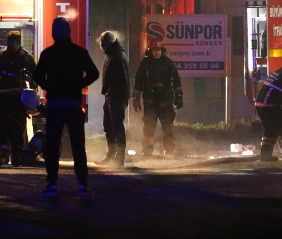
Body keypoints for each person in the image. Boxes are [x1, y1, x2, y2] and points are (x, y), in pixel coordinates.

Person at [33, 18, 99, 197]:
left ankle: (52, 184)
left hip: (54, 105)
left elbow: (37, 76)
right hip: (73, 104)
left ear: (54, 33)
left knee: (53, 145)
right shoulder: (79, 53)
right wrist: (79, 84)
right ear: (69, 32)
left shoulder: (48, 54)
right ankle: (82, 184)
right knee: (78, 145)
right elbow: (94, 73)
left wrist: (49, 87)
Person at [0, 30, 37, 165]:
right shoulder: (1, 57)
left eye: (12, 43)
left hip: (19, 98)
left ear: (18, 43)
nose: (9, 45)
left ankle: (17, 157)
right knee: (5, 128)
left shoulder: (26, 57)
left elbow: (35, 75)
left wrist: (32, 91)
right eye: (8, 42)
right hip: (4, 97)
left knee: (19, 128)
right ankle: (3, 155)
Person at [132, 38, 183, 157]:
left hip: (166, 100)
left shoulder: (168, 63)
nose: (157, 52)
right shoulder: (145, 63)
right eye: (155, 50)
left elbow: (176, 81)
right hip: (151, 102)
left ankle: (169, 151)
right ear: (150, 51)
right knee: (149, 128)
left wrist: (179, 97)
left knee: (168, 128)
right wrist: (135, 98)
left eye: (159, 50)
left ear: (162, 50)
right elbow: (138, 82)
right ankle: (147, 152)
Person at [0, 88, 39, 167]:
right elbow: (8, 114)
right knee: (3, 132)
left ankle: (16, 158)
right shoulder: (10, 101)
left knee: (16, 130)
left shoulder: (23, 97)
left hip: (0, 109)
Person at [95, 31, 129, 167]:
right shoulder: (112, 54)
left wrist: (111, 92)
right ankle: (112, 155)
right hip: (112, 96)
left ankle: (119, 158)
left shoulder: (117, 56)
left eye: (103, 43)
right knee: (109, 126)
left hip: (116, 97)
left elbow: (122, 79)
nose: (101, 46)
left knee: (116, 127)